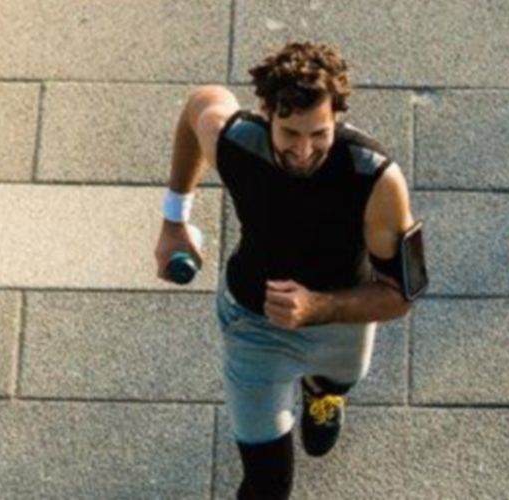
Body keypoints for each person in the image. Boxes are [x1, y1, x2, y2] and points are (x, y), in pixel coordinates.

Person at [155, 41, 421, 499]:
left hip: (341, 326)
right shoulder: (238, 144)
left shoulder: (374, 178)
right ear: (266, 113)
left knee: (337, 381)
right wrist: (173, 222)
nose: (303, 150)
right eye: (290, 133)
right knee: (267, 484)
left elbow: (400, 296)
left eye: (319, 133)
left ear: (338, 115)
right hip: (253, 325)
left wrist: (317, 307)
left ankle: (321, 393)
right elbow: (201, 103)